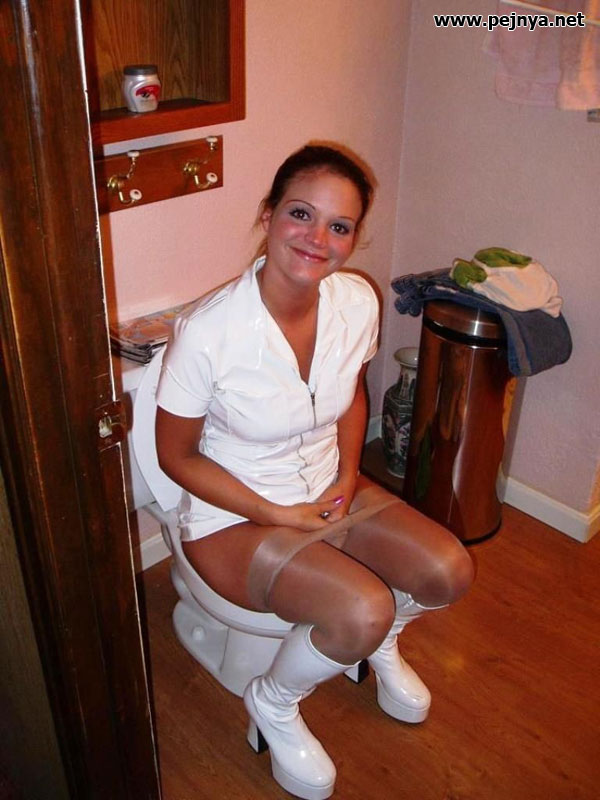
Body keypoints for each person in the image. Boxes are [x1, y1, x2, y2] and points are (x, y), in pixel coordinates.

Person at [155, 144, 474, 800]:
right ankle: (272, 702)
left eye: (339, 225)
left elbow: (351, 395)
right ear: (268, 215)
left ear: (354, 238)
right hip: (235, 518)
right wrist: (275, 513)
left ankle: (380, 641)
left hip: (328, 489)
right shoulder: (209, 332)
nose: (317, 239)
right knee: (360, 608)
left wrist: (349, 474)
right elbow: (174, 457)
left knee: (448, 571)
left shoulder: (355, 301)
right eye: (301, 213)